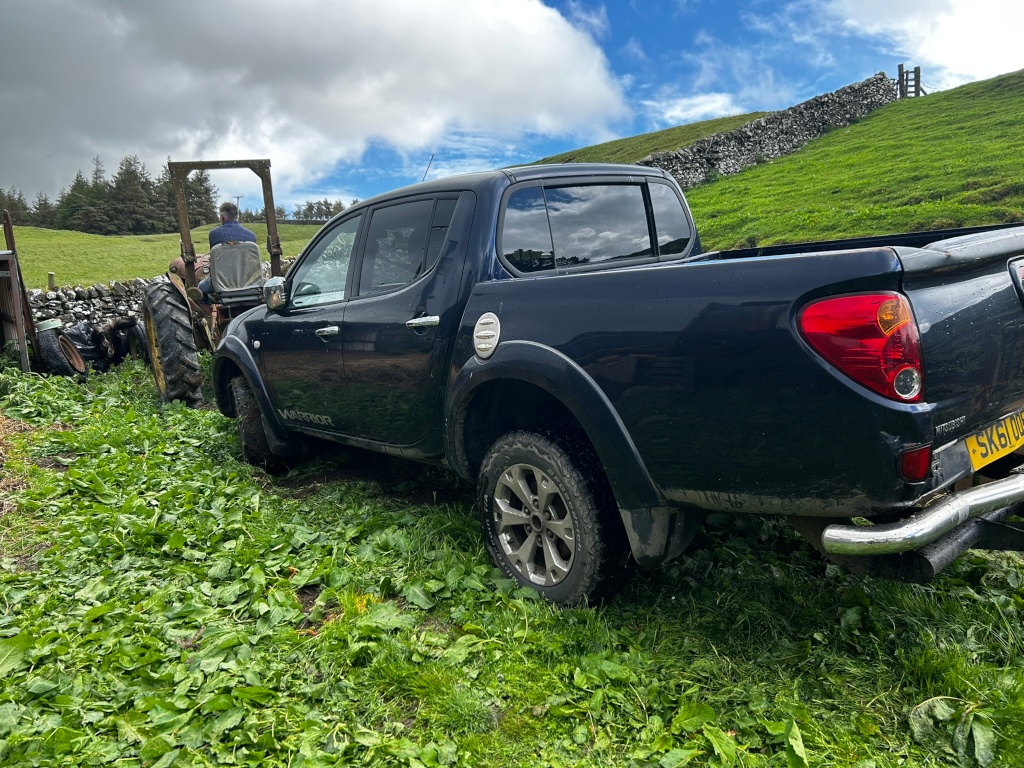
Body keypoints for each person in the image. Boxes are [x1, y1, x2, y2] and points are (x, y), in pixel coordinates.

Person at [189, 202, 258, 303]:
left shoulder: (214, 234)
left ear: (222, 217)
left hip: (222, 285)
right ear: (237, 217)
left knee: (201, 287)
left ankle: (207, 314)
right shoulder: (251, 236)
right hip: (250, 283)